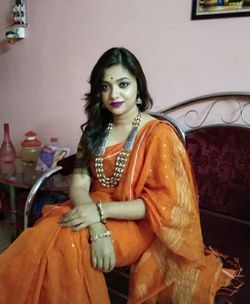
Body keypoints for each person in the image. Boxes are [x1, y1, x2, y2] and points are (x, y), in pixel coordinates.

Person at [0, 47, 240, 304]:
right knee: (41, 236)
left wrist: (100, 212)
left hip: (137, 221)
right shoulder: (94, 132)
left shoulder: (159, 135)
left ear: (139, 86)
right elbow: (79, 186)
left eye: (123, 84)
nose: (114, 94)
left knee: (71, 245)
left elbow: (162, 205)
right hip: (88, 207)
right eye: (105, 87)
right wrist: (97, 226)